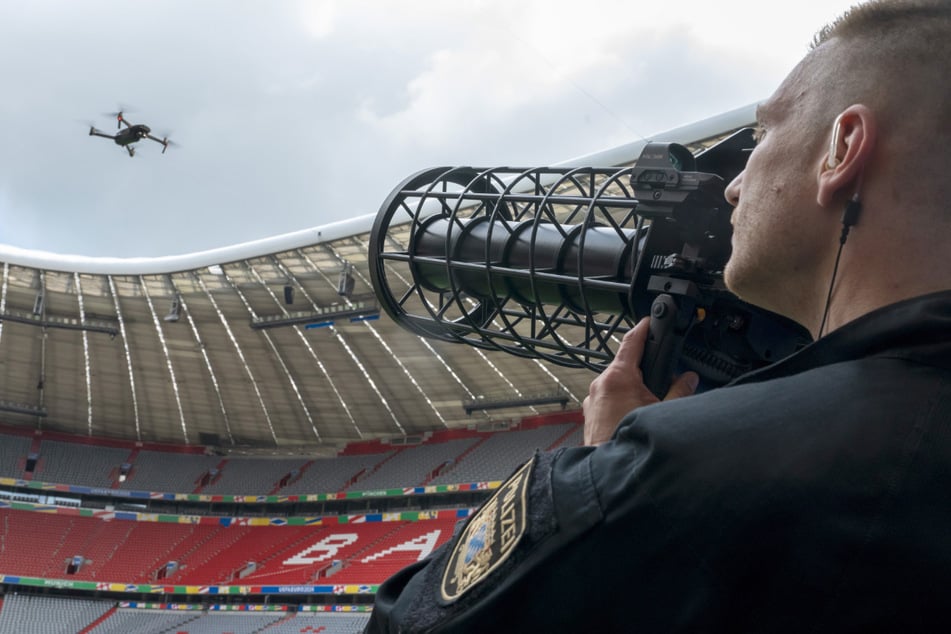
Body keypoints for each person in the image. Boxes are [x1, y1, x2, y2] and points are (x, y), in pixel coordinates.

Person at [365, 1, 951, 631]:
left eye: (762, 135)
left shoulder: (679, 469)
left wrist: (607, 473)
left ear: (843, 150)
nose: (732, 185)